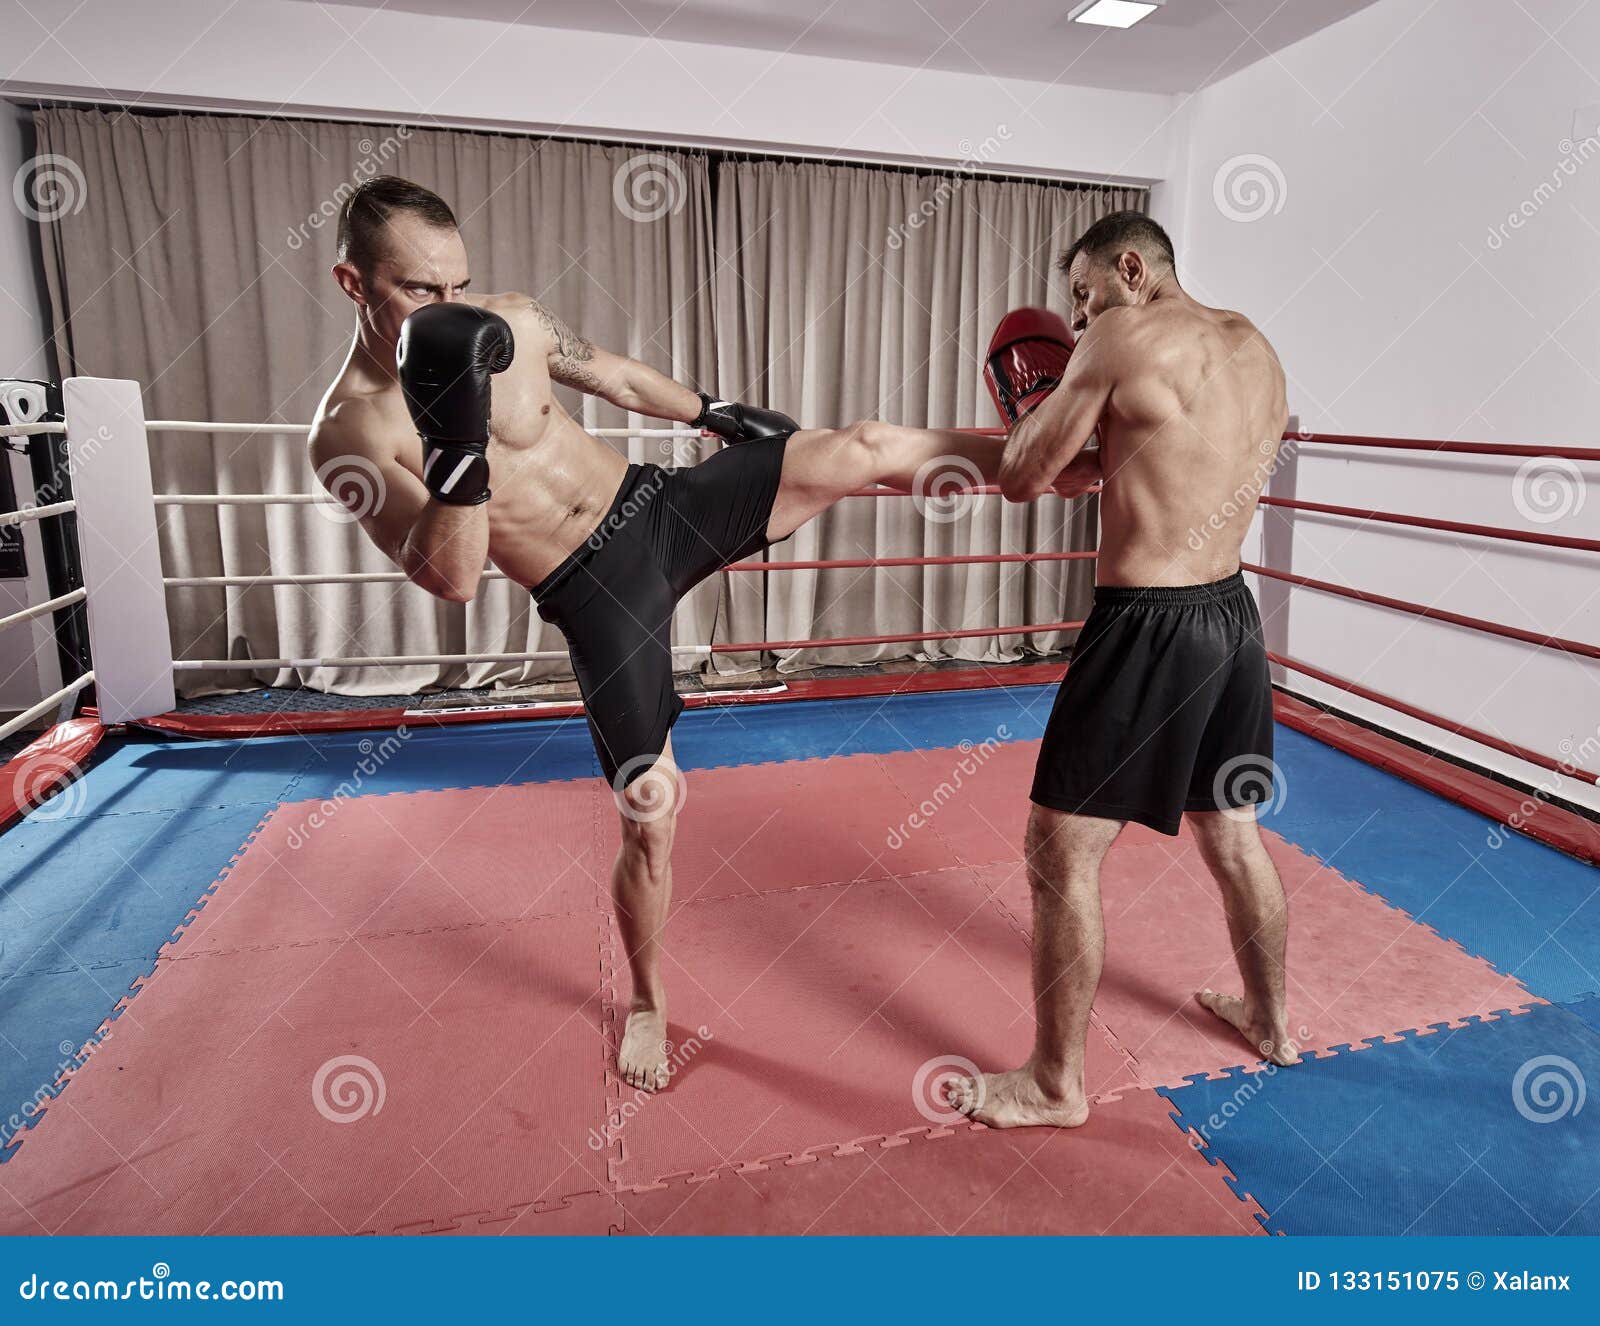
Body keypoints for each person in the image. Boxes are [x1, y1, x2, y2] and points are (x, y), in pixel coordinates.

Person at [308, 176, 1082, 1093]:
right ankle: (646, 1000)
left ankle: (1059, 463)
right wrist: (456, 448)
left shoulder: (507, 318)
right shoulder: (348, 431)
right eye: (420, 291)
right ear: (353, 282)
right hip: (593, 591)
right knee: (652, 812)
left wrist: (711, 412)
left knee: (860, 446)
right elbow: (450, 575)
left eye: (457, 283)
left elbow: (616, 375)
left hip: (656, 508)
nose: (451, 308)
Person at [946, 211, 1298, 1130]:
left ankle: (1055, 1084)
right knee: (1233, 836)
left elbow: (1024, 476)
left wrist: (1032, 412)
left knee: (1060, 854)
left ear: (1131, 269)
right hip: (1231, 616)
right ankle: (1270, 1019)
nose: (1078, 317)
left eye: (1084, 294)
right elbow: (1168, 458)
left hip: (1147, 625)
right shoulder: (1256, 347)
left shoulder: (1121, 337)